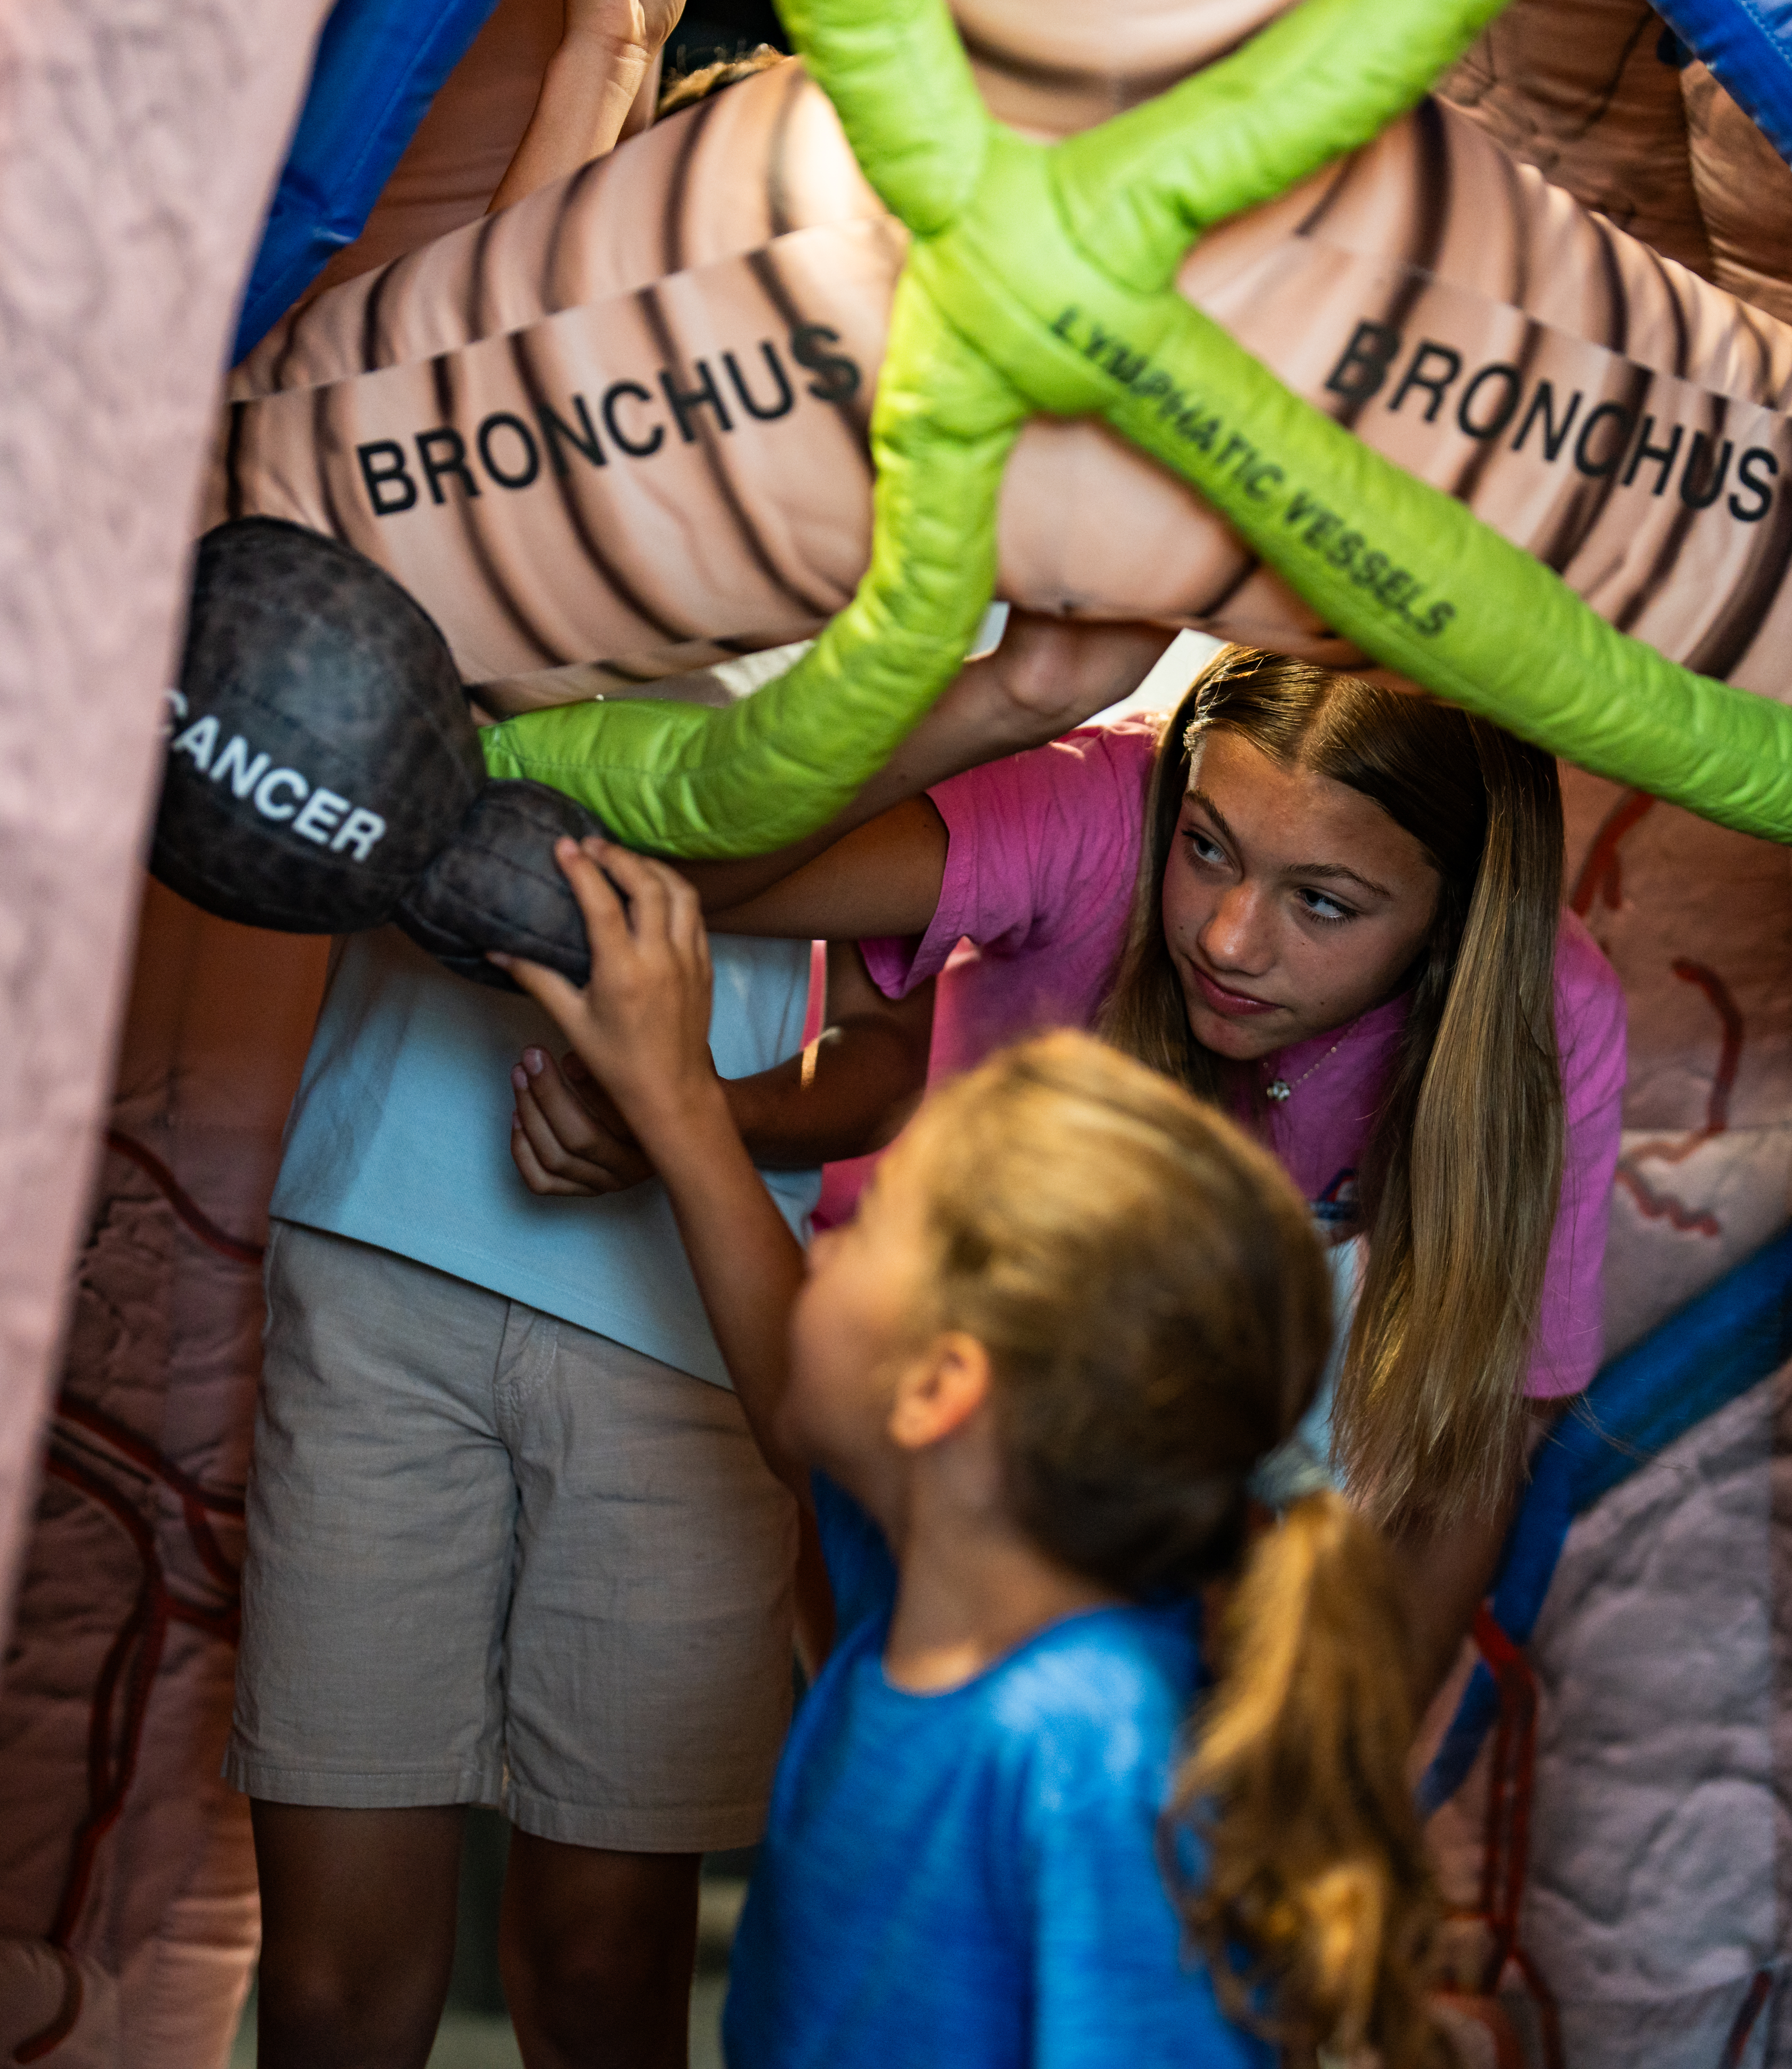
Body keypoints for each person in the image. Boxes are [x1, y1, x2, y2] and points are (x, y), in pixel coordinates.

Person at [501, 843, 1444, 2067]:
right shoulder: (919, 1603)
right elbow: (790, 1384)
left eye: (874, 1223)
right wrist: (680, 1109)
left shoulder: (1085, 1749)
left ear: (944, 1385)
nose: (825, 1258)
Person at [678, 644, 1629, 1704]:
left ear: (1454, 922)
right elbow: (698, 866)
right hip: (902, 1349)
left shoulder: (1552, 1017)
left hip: (1117, 1446)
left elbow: (1477, 1441)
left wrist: (1327, 1812)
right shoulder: (1095, 810)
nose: (1228, 940)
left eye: (1322, 904)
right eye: (1208, 848)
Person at [230, 912, 931, 2069]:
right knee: (325, 1994)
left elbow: (881, 1055)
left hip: (693, 1320)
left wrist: (679, 1110)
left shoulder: (894, 727)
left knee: (603, 1975)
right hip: (377, 1248)